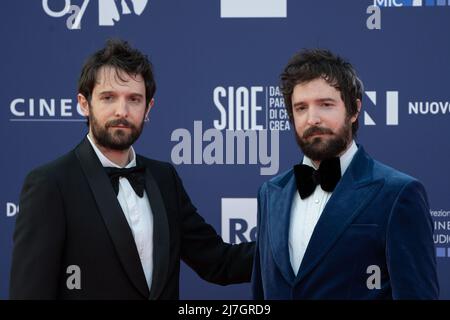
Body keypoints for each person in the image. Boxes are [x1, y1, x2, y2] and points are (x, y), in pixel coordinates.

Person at [10, 39, 254, 299]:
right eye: (108, 98)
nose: (122, 111)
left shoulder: (164, 178)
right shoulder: (51, 183)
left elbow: (219, 262)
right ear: (84, 103)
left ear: (148, 107)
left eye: (134, 99)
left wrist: (294, 247)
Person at [251, 49, 439, 299]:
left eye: (326, 105)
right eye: (301, 108)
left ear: (354, 110)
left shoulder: (397, 193)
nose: (312, 118)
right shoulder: (270, 194)